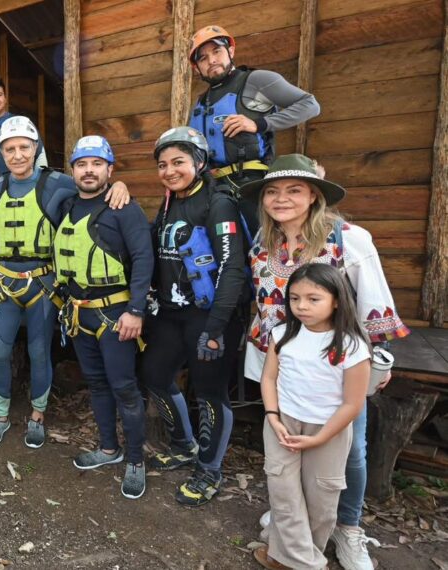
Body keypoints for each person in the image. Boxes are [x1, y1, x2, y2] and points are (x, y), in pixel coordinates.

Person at [239, 154, 409, 570]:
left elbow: (373, 300)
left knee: (347, 450)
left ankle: (347, 528)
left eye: (293, 190)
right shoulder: (264, 243)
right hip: (283, 363)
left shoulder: (347, 237)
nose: (282, 199)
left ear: (313, 194)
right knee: (286, 441)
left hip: (339, 364)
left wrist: (378, 361)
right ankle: (291, 520)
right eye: (273, 192)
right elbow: (264, 306)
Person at [0, 117, 130, 450]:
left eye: (23, 147)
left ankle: (37, 417)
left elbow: (94, 187)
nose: (17, 155)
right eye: (10, 149)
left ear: (36, 149)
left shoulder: (57, 183)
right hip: (5, 282)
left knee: (38, 351)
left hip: (43, 284)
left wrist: (120, 185)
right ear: (2, 152)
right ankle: (1, 416)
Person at [140, 126, 248, 507]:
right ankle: (184, 445)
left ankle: (209, 469)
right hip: (172, 312)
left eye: (179, 162)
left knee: (210, 392)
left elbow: (233, 266)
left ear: (199, 163)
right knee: (154, 374)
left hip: (211, 316)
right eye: (163, 164)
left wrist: (217, 326)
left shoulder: (218, 203)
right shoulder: (169, 202)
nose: (169, 170)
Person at [252, 263, 370, 570]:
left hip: (329, 430)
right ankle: (307, 565)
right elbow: (268, 380)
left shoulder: (352, 346)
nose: (301, 306)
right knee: (285, 492)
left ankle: (289, 556)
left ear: (337, 300)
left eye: (313, 298)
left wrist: (320, 437)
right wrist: (273, 417)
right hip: (282, 423)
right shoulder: (282, 334)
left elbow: (352, 404)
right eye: (294, 298)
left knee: (322, 499)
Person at [55, 136, 154, 499]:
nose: (89, 170)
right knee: (96, 384)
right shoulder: (65, 204)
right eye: (82, 164)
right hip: (80, 314)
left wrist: (136, 310)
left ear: (110, 170)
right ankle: (108, 449)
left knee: (124, 387)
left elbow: (143, 259)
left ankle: (135, 460)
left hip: (117, 314)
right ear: (73, 171)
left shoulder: (124, 208)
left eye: (97, 164)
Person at [187, 25, 320, 229]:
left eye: (217, 51)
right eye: (203, 58)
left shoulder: (256, 80)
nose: (211, 60)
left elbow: (310, 105)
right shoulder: (200, 103)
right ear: (197, 67)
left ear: (230, 51)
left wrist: (259, 124)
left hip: (252, 185)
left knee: (261, 245)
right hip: (213, 189)